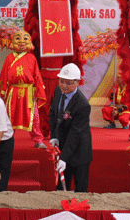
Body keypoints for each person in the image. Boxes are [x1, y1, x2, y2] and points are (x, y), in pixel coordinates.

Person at [0, 30, 47, 149]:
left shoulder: (32, 58)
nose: (22, 42)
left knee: (34, 118)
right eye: (18, 38)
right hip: (13, 92)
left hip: (28, 92)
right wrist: (2, 92)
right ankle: (6, 139)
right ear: (13, 41)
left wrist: (38, 91)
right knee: (9, 116)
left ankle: (38, 140)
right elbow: (3, 76)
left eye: (25, 39)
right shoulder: (9, 58)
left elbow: (37, 76)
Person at [49, 63, 92, 192]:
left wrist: (64, 158)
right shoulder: (58, 91)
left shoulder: (82, 105)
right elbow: (53, 113)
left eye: (68, 83)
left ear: (77, 82)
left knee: (80, 189)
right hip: (63, 145)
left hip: (79, 150)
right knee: (62, 188)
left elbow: (75, 134)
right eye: (62, 81)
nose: (64, 86)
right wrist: (54, 136)